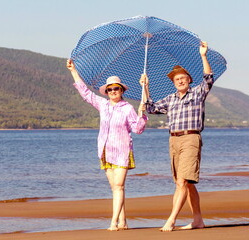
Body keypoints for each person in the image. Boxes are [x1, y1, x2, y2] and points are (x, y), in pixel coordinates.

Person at [66, 59, 148, 231]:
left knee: (118, 186)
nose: (112, 91)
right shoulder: (102, 104)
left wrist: (142, 114)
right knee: (115, 188)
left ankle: (113, 222)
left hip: (122, 152)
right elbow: (86, 93)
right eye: (109, 89)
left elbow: (138, 129)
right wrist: (73, 71)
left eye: (115, 88)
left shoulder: (127, 108)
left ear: (121, 90)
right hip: (105, 151)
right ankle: (123, 221)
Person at [140, 41, 212, 232]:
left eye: (182, 78)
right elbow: (151, 108)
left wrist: (203, 55)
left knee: (183, 181)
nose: (179, 81)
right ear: (173, 82)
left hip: (191, 138)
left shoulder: (197, 93)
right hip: (173, 140)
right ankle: (198, 220)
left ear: (189, 79)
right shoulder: (170, 99)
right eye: (176, 79)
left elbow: (208, 79)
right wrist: (145, 87)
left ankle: (171, 219)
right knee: (185, 184)